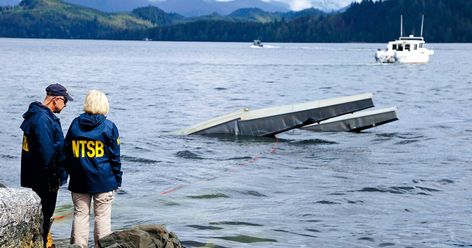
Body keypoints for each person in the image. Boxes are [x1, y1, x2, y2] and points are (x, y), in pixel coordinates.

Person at [64, 90, 122, 248]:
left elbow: (66, 152)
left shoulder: (75, 124)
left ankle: (78, 246)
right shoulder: (109, 126)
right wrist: (118, 179)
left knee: (80, 215)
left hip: (79, 179)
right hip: (103, 180)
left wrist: (68, 173)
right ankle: (102, 246)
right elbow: (115, 157)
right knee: (102, 218)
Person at [20, 83, 73, 247]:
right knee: (45, 214)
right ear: (56, 99)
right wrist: (53, 176)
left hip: (34, 173)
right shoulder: (43, 119)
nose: (65, 106)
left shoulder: (36, 115)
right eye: (65, 101)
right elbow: (46, 151)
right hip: (44, 177)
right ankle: (41, 242)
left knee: (41, 214)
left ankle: (41, 240)